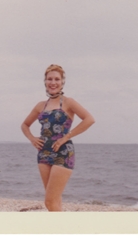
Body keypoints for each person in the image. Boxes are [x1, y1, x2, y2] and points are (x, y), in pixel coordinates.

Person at [21, 64, 95, 211]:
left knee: (49, 201)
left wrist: (66, 137)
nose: (53, 82)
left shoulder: (68, 102)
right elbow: (25, 125)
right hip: (43, 153)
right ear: (45, 82)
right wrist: (32, 139)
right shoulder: (40, 105)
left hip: (63, 152)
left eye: (57, 79)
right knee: (55, 200)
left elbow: (89, 119)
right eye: (49, 79)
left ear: (62, 82)